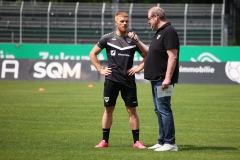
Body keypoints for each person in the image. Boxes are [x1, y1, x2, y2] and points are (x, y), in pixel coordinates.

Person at [89, 11, 147, 149]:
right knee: (108, 109)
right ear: (116, 22)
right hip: (112, 80)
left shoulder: (133, 39)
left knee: (132, 110)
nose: (124, 23)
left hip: (128, 81)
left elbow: (147, 55)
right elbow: (92, 54)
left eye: (126, 21)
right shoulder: (107, 38)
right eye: (121, 21)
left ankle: (136, 142)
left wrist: (138, 68)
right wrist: (100, 69)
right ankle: (104, 141)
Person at [128, 6, 179, 151]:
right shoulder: (159, 33)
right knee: (158, 110)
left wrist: (167, 78)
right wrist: (137, 40)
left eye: (149, 18)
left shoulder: (169, 32)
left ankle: (170, 143)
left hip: (163, 79)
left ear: (156, 17)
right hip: (156, 78)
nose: (148, 22)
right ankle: (162, 141)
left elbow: (172, 56)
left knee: (164, 109)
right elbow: (150, 53)